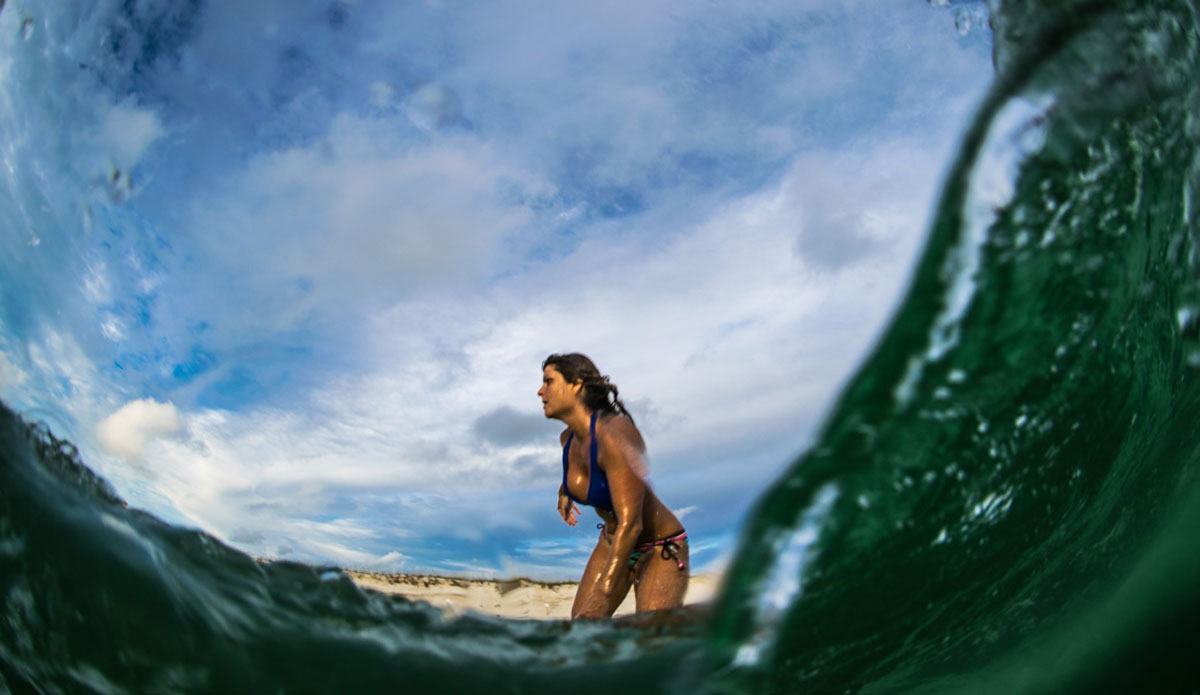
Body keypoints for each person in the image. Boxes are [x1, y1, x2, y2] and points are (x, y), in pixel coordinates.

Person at [537, 353, 689, 619]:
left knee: (651, 639)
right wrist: (564, 493)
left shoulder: (614, 435)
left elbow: (632, 524)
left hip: (660, 547)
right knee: (580, 632)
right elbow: (582, 471)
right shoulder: (567, 439)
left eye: (549, 381)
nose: (540, 391)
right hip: (612, 540)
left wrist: (604, 592)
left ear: (576, 385)